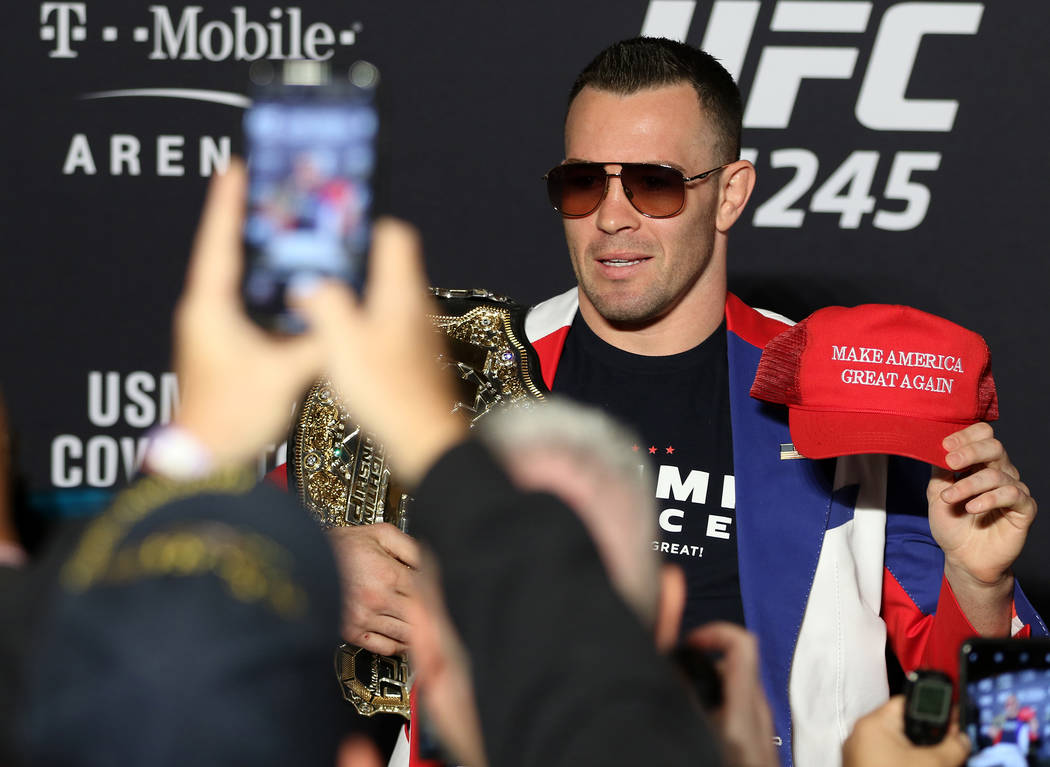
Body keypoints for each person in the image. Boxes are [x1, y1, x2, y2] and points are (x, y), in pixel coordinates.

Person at [319, 36, 1044, 767]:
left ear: (729, 193)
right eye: (582, 184)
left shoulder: (842, 390)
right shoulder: (464, 370)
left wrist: (982, 585)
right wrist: (321, 564)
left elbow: (1010, 739)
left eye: (653, 184)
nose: (610, 217)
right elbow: (235, 570)